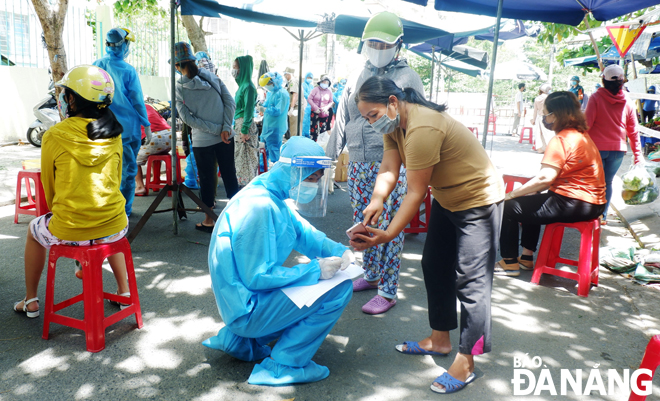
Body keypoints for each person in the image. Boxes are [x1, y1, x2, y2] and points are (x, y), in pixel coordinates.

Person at [351, 76, 504, 394]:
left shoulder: (424, 127)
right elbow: (390, 169)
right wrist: (377, 200)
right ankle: (439, 339)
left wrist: (389, 233)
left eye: (373, 115)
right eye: (366, 118)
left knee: (472, 282)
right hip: (449, 199)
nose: (371, 122)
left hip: (480, 201)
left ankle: (467, 360)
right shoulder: (394, 124)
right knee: (433, 264)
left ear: (393, 102)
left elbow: (416, 192)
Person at [203, 137, 355, 386]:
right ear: (290, 171)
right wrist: (313, 270)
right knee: (338, 289)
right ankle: (285, 364)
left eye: (317, 179)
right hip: (247, 309)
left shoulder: (267, 191)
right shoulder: (260, 208)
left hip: (241, 304)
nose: (312, 187)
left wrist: (340, 250)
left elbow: (304, 234)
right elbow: (257, 276)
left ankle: (240, 341)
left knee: (315, 284)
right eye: (309, 179)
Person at [13, 65, 130, 318]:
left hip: (71, 226)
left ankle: (31, 300)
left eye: (66, 94)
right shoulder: (114, 133)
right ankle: (124, 293)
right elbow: (116, 182)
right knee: (107, 228)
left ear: (72, 99)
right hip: (115, 224)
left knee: (34, 230)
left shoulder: (54, 135)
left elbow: (50, 189)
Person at [327, 11, 423, 315]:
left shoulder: (408, 77)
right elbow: (343, 113)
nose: (378, 50)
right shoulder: (358, 74)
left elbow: (418, 123)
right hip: (357, 161)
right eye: (372, 44)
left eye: (384, 45)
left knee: (390, 226)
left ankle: (388, 289)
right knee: (363, 222)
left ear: (398, 44)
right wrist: (329, 158)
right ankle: (370, 274)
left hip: (392, 162)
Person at [496, 91, 606, 276]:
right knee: (532, 197)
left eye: (546, 114)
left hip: (574, 201)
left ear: (556, 114)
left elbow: (545, 178)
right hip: (594, 204)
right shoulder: (581, 136)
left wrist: (510, 194)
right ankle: (526, 258)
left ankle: (509, 262)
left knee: (508, 206)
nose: (544, 118)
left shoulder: (561, 139)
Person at [173, 41, 238, 232]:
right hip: (226, 136)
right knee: (229, 175)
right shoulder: (211, 77)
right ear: (193, 60)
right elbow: (230, 103)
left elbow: (187, 119)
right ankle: (237, 217)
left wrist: (213, 129)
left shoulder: (178, 87)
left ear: (177, 66)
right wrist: (224, 127)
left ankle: (209, 221)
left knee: (207, 179)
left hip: (203, 140)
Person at [93, 27, 151, 217]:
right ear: (124, 45)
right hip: (127, 130)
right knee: (127, 171)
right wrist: (147, 125)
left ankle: (106, 210)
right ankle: (123, 211)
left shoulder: (96, 66)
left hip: (102, 129)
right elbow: (137, 100)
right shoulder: (128, 70)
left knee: (104, 171)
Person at [585, 64, 642, 225]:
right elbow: (633, 130)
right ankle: (602, 216)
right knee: (607, 182)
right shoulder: (628, 101)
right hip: (618, 150)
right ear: (622, 81)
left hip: (597, 148)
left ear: (604, 80)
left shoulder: (596, 97)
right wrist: (638, 155)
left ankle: (591, 214)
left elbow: (587, 124)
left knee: (595, 182)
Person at [232, 55, 259, 187]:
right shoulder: (242, 86)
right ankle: (243, 187)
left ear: (243, 69)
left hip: (244, 126)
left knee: (247, 158)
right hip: (239, 124)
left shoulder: (248, 87)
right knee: (240, 158)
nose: (233, 71)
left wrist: (244, 130)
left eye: (235, 68)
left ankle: (247, 187)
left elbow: (248, 110)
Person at [134, 103, 172, 196]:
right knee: (154, 153)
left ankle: (140, 187)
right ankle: (155, 181)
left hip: (154, 138)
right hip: (170, 136)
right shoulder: (147, 106)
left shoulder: (129, 109)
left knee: (133, 158)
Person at [259, 71, 289, 163]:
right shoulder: (271, 93)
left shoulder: (282, 94)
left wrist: (265, 109)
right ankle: (264, 171)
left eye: (268, 84)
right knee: (263, 150)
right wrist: (261, 106)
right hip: (268, 125)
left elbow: (278, 111)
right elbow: (267, 104)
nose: (267, 86)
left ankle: (275, 171)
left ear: (275, 81)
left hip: (276, 127)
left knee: (274, 149)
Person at [307, 75, 334, 142]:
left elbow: (331, 102)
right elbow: (309, 99)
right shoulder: (315, 89)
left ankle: (321, 144)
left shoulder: (329, 91)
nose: (325, 84)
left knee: (323, 129)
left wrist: (326, 108)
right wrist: (315, 108)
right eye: (323, 82)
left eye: (326, 83)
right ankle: (313, 143)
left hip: (324, 112)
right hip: (315, 111)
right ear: (320, 82)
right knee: (313, 128)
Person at [530, 83, 554, 153]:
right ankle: (550, 148)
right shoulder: (549, 98)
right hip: (548, 117)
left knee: (538, 133)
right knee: (549, 133)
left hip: (539, 117)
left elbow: (535, 110)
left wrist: (533, 120)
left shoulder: (537, 98)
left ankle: (540, 149)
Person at [284, 67, 302, 137]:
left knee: (294, 129)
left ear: (288, 74)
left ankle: (294, 146)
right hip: (297, 107)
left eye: (285, 75)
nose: (285, 77)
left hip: (295, 108)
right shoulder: (294, 81)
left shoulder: (293, 82)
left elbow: (295, 94)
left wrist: (291, 108)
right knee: (296, 128)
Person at [302, 72, 314, 138]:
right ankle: (303, 135)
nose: (309, 79)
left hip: (310, 106)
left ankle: (307, 134)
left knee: (308, 121)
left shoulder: (311, 86)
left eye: (311, 78)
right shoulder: (303, 85)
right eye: (308, 77)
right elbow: (304, 93)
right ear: (306, 77)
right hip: (305, 105)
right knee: (304, 121)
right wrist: (310, 97)